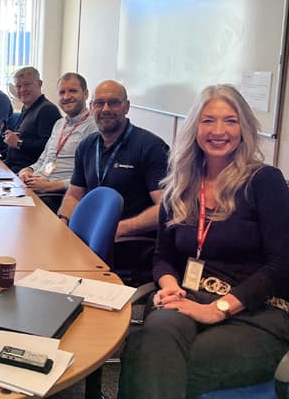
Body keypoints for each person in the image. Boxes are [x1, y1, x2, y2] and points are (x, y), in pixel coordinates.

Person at [119, 84, 289, 398]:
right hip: (188, 297)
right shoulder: (181, 185)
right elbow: (163, 257)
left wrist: (218, 309)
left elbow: (281, 266)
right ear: (194, 127)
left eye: (231, 120)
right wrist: (169, 283)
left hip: (257, 312)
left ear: (244, 129)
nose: (219, 131)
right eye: (208, 120)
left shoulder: (264, 181)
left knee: (155, 361)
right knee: (154, 338)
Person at [56, 80, 168, 274]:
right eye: (99, 103)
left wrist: (118, 228)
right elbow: (75, 195)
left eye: (113, 103)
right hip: (90, 238)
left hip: (130, 242)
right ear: (91, 108)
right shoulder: (87, 146)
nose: (105, 109)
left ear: (126, 106)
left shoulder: (150, 147)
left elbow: (165, 208)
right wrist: (63, 221)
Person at [17, 73, 96, 209]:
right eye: (62, 92)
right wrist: (27, 170)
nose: (66, 97)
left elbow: (89, 177)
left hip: (56, 195)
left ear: (86, 94)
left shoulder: (93, 127)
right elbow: (43, 161)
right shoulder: (59, 124)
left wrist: (50, 186)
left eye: (72, 91)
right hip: (35, 185)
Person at [2, 67, 61, 172]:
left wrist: (18, 143)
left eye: (27, 85)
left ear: (39, 83)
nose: (22, 90)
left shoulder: (47, 110)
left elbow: (47, 148)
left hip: (28, 172)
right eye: (18, 86)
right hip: (11, 166)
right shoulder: (26, 108)